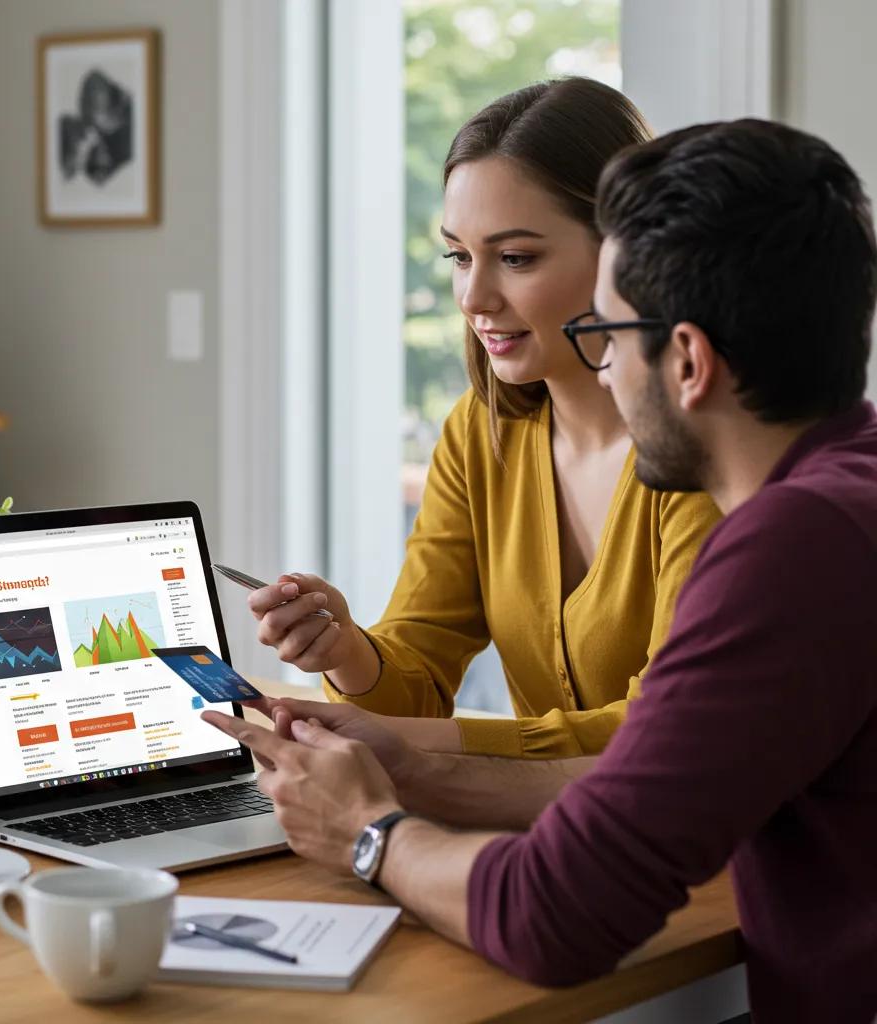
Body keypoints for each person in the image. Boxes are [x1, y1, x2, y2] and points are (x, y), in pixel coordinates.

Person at [205, 118, 877, 1023]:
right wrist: (408, 757)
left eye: (609, 328)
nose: (600, 363)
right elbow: (646, 782)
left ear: (685, 359)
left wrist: (368, 836)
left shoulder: (790, 546)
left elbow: (557, 913)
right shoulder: (845, 497)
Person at [248, 78, 719, 759]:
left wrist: (408, 744)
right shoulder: (482, 430)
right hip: (544, 836)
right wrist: (347, 650)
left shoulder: (706, 450)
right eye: (460, 256)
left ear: (627, 252)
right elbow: (418, 669)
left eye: (516, 258)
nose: (473, 296)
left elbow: (667, 734)